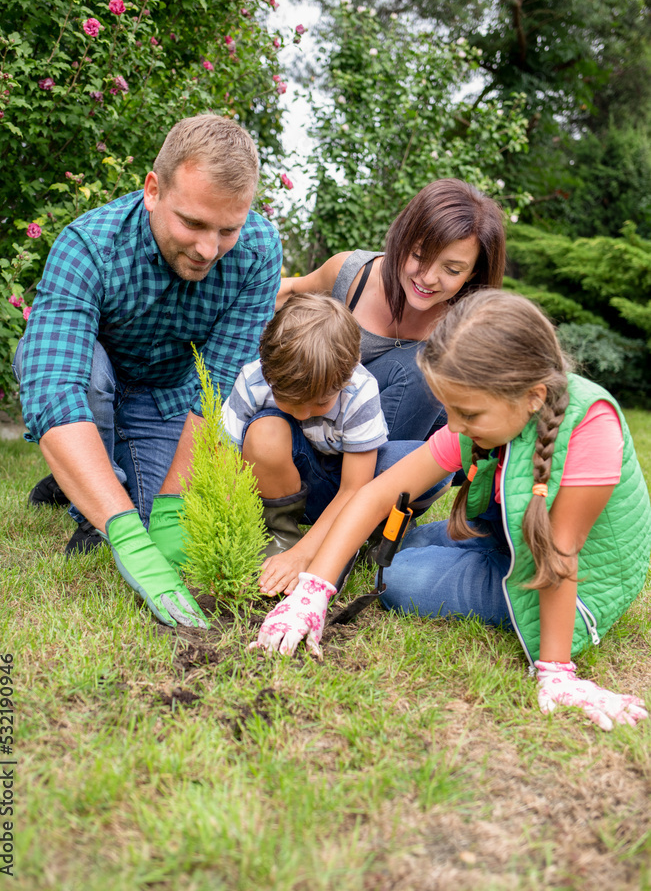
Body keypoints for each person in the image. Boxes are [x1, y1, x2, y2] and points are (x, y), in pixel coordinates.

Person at [253, 290, 651, 731]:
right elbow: (376, 492)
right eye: (450, 410)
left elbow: (559, 555)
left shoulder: (591, 429)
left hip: (573, 587)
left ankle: (482, 574)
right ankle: (469, 557)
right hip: (505, 537)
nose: (454, 427)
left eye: (468, 414)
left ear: (533, 396)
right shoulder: (482, 413)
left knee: (398, 579)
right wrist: (313, 592)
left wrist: (555, 672)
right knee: (402, 545)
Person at [16, 114, 282, 630]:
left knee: (149, 509)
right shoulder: (89, 245)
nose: (209, 249)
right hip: (93, 378)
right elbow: (55, 385)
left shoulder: (256, 252)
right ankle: (84, 479)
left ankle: (77, 474)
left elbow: (219, 385)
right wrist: (127, 536)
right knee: (82, 387)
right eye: (194, 223)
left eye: (228, 228)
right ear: (154, 190)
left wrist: (170, 508)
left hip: (164, 394)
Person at [222, 292, 448, 597]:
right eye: (290, 401)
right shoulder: (253, 380)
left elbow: (354, 489)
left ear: (346, 378)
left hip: (349, 485)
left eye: (320, 403)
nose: (302, 414)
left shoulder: (358, 390)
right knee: (265, 432)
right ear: (267, 371)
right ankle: (280, 534)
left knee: (424, 466)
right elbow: (225, 461)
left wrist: (306, 554)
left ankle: (367, 536)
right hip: (296, 479)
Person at [277, 179, 505, 440]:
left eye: (452, 269)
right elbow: (286, 293)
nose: (428, 277)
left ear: (472, 273)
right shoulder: (354, 276)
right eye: (419, 256)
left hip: (386, 445)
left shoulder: (464, 326)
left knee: (442, 384)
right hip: (313, 426)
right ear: (403, 240)